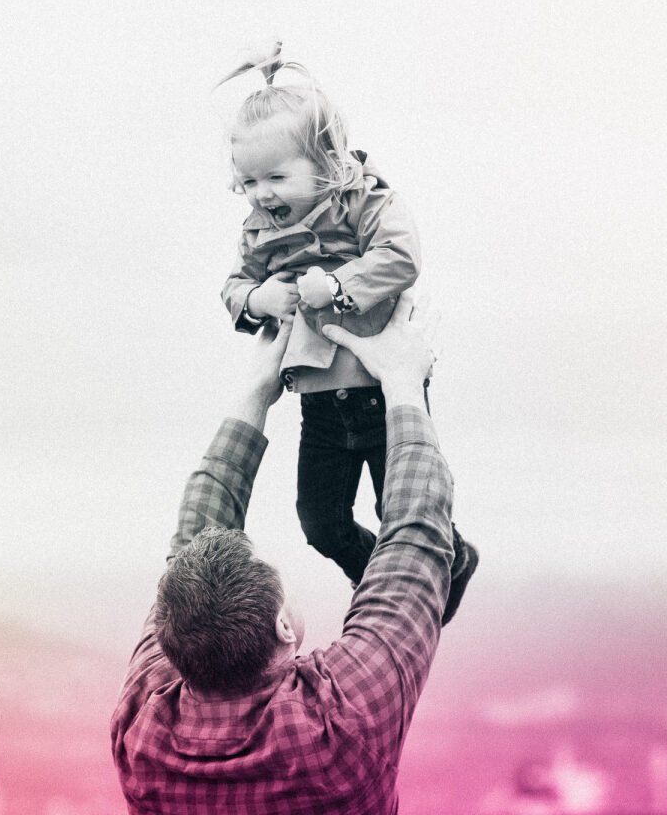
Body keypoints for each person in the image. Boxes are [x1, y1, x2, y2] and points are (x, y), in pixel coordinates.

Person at [111, 295, 458, 814]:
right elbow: (415, 541)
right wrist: (403, 382)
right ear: (283, 627)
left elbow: (191, 541)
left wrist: (257, 388)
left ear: (169, 637)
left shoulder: (143, 738)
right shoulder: (340, 730)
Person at [217, 44, 477, 617]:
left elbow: (401, 256)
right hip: (319, 402)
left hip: (385, 389)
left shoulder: (365, 201)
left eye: (277, 177)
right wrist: (258, 298)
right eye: (250, 181)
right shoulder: (258, 231)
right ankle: (393, 583)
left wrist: (336, 286)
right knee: (321, 522)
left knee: (397, 509)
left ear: (326, 164)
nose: (263, 193)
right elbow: (234, 286)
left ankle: (442, 564)